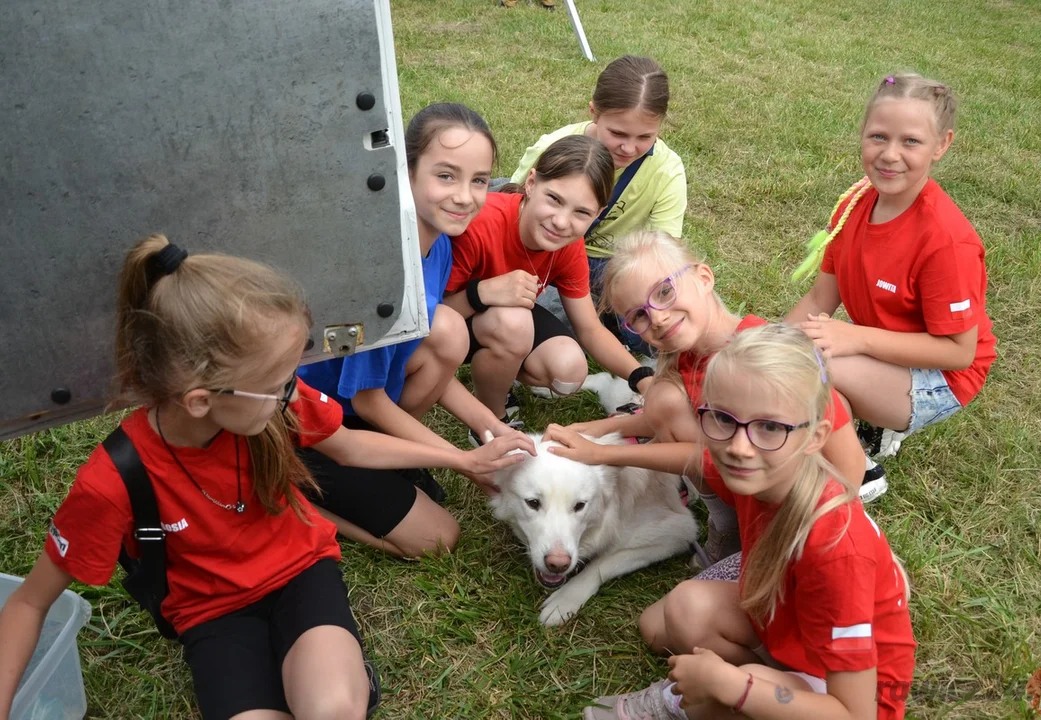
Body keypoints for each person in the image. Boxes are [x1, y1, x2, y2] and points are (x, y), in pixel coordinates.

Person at [0, 236, 532, 720]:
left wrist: (461, 461)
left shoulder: (270, 402)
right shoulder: (113, 479)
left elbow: (349, 445)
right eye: (279, 383)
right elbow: (29, 602)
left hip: (301, 571)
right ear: (202, 401)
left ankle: (347, 675)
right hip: (212, 612)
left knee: (332, 710)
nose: (292, 391)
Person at [584, 324, 915, 720]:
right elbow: (694, 458)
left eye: (770, 426)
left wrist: (733, 685)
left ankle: (735, 693)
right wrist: (602, 453)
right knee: (663, 624)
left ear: (815, 436)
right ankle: (767, 683)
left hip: (858, 699)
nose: (739, 447)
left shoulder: (834, 548)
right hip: (790, 613)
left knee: (734, 687)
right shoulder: (762, 467)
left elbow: (855, 715)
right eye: (722, 418)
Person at [543, 231, 866, 565]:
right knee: (662, 400)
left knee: (683, 612)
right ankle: (733, 525)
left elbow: (711, 455)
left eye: (664, 292)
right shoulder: (687, 358)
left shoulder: (760, 353)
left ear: (704, 277)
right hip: (763, 492)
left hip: (807, 514)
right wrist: (593, 429)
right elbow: (689, 430)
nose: (657, 317)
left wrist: (602, 454)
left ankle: (744, 534)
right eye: (638, 315)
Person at [299, 103, 528, 557]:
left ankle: (391, 459)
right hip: (313, 424)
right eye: (446, 176)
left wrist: (491, 425)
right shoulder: (378, 274)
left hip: (361, 407)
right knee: (437, 539)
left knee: (448, 329)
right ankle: (295, 492)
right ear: (406, 171)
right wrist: (464, 463)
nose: (465, 196)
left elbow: (415, 361)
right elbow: (369, 400)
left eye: (479, 180)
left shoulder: (437, 243)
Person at [786, 72, 997, 501]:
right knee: (783, 361)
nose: (890, 155)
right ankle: (865, 424)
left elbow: (959, 351)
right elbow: (819, 299)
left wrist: (856, 338)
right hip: (887, 349)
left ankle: (862, 473)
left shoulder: (946, 240)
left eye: (911, 142)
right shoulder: (854, 203)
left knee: (810, 369)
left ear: (942, 145)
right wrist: (763, 349)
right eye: (878, 136)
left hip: (945, 375)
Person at [444, 135, 655, 431]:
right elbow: (428, 318)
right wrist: (483, 293)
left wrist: (643, 378)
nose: (561, 221)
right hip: (449, 323)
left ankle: (497, 373)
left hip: (498, 322)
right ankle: (492, 419)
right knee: (513, 322)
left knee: (568, 371)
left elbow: (591, 329)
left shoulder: (568, 244)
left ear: (598, 213)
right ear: (531, 183)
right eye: (554, 200)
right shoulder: (479, 224)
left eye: (581, 212)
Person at [510, 55, 686, 352]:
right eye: (617, 133)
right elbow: (511, 205)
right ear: (594, 112)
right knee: (535, 322)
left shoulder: (668, 170)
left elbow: (661, 254)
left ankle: (606, 316)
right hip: (546, 251)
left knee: (666, 325)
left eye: (646, 137)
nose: (629, 148)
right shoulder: (555, 145)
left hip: (615, 265)